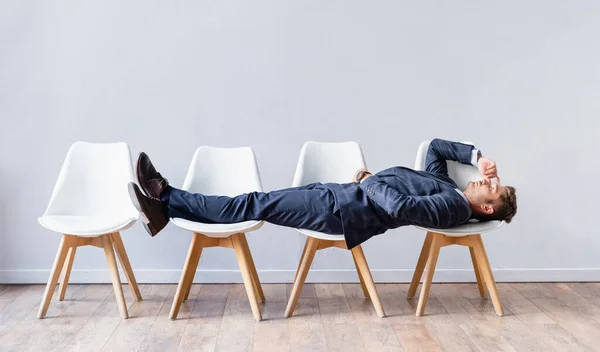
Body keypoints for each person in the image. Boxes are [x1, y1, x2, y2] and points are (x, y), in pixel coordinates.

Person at [128, 139, 517, 249]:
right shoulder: (450, 187)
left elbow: (403, 207)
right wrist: (478, 157)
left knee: (253, 203)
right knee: (254, 202)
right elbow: (435, 147)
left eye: (493, 189)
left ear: (485, 207)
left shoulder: (451, 207)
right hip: (339, 196)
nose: (488, 181)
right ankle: (164, 209)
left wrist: (368, 181)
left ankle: (167, 195)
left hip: (341, 210)